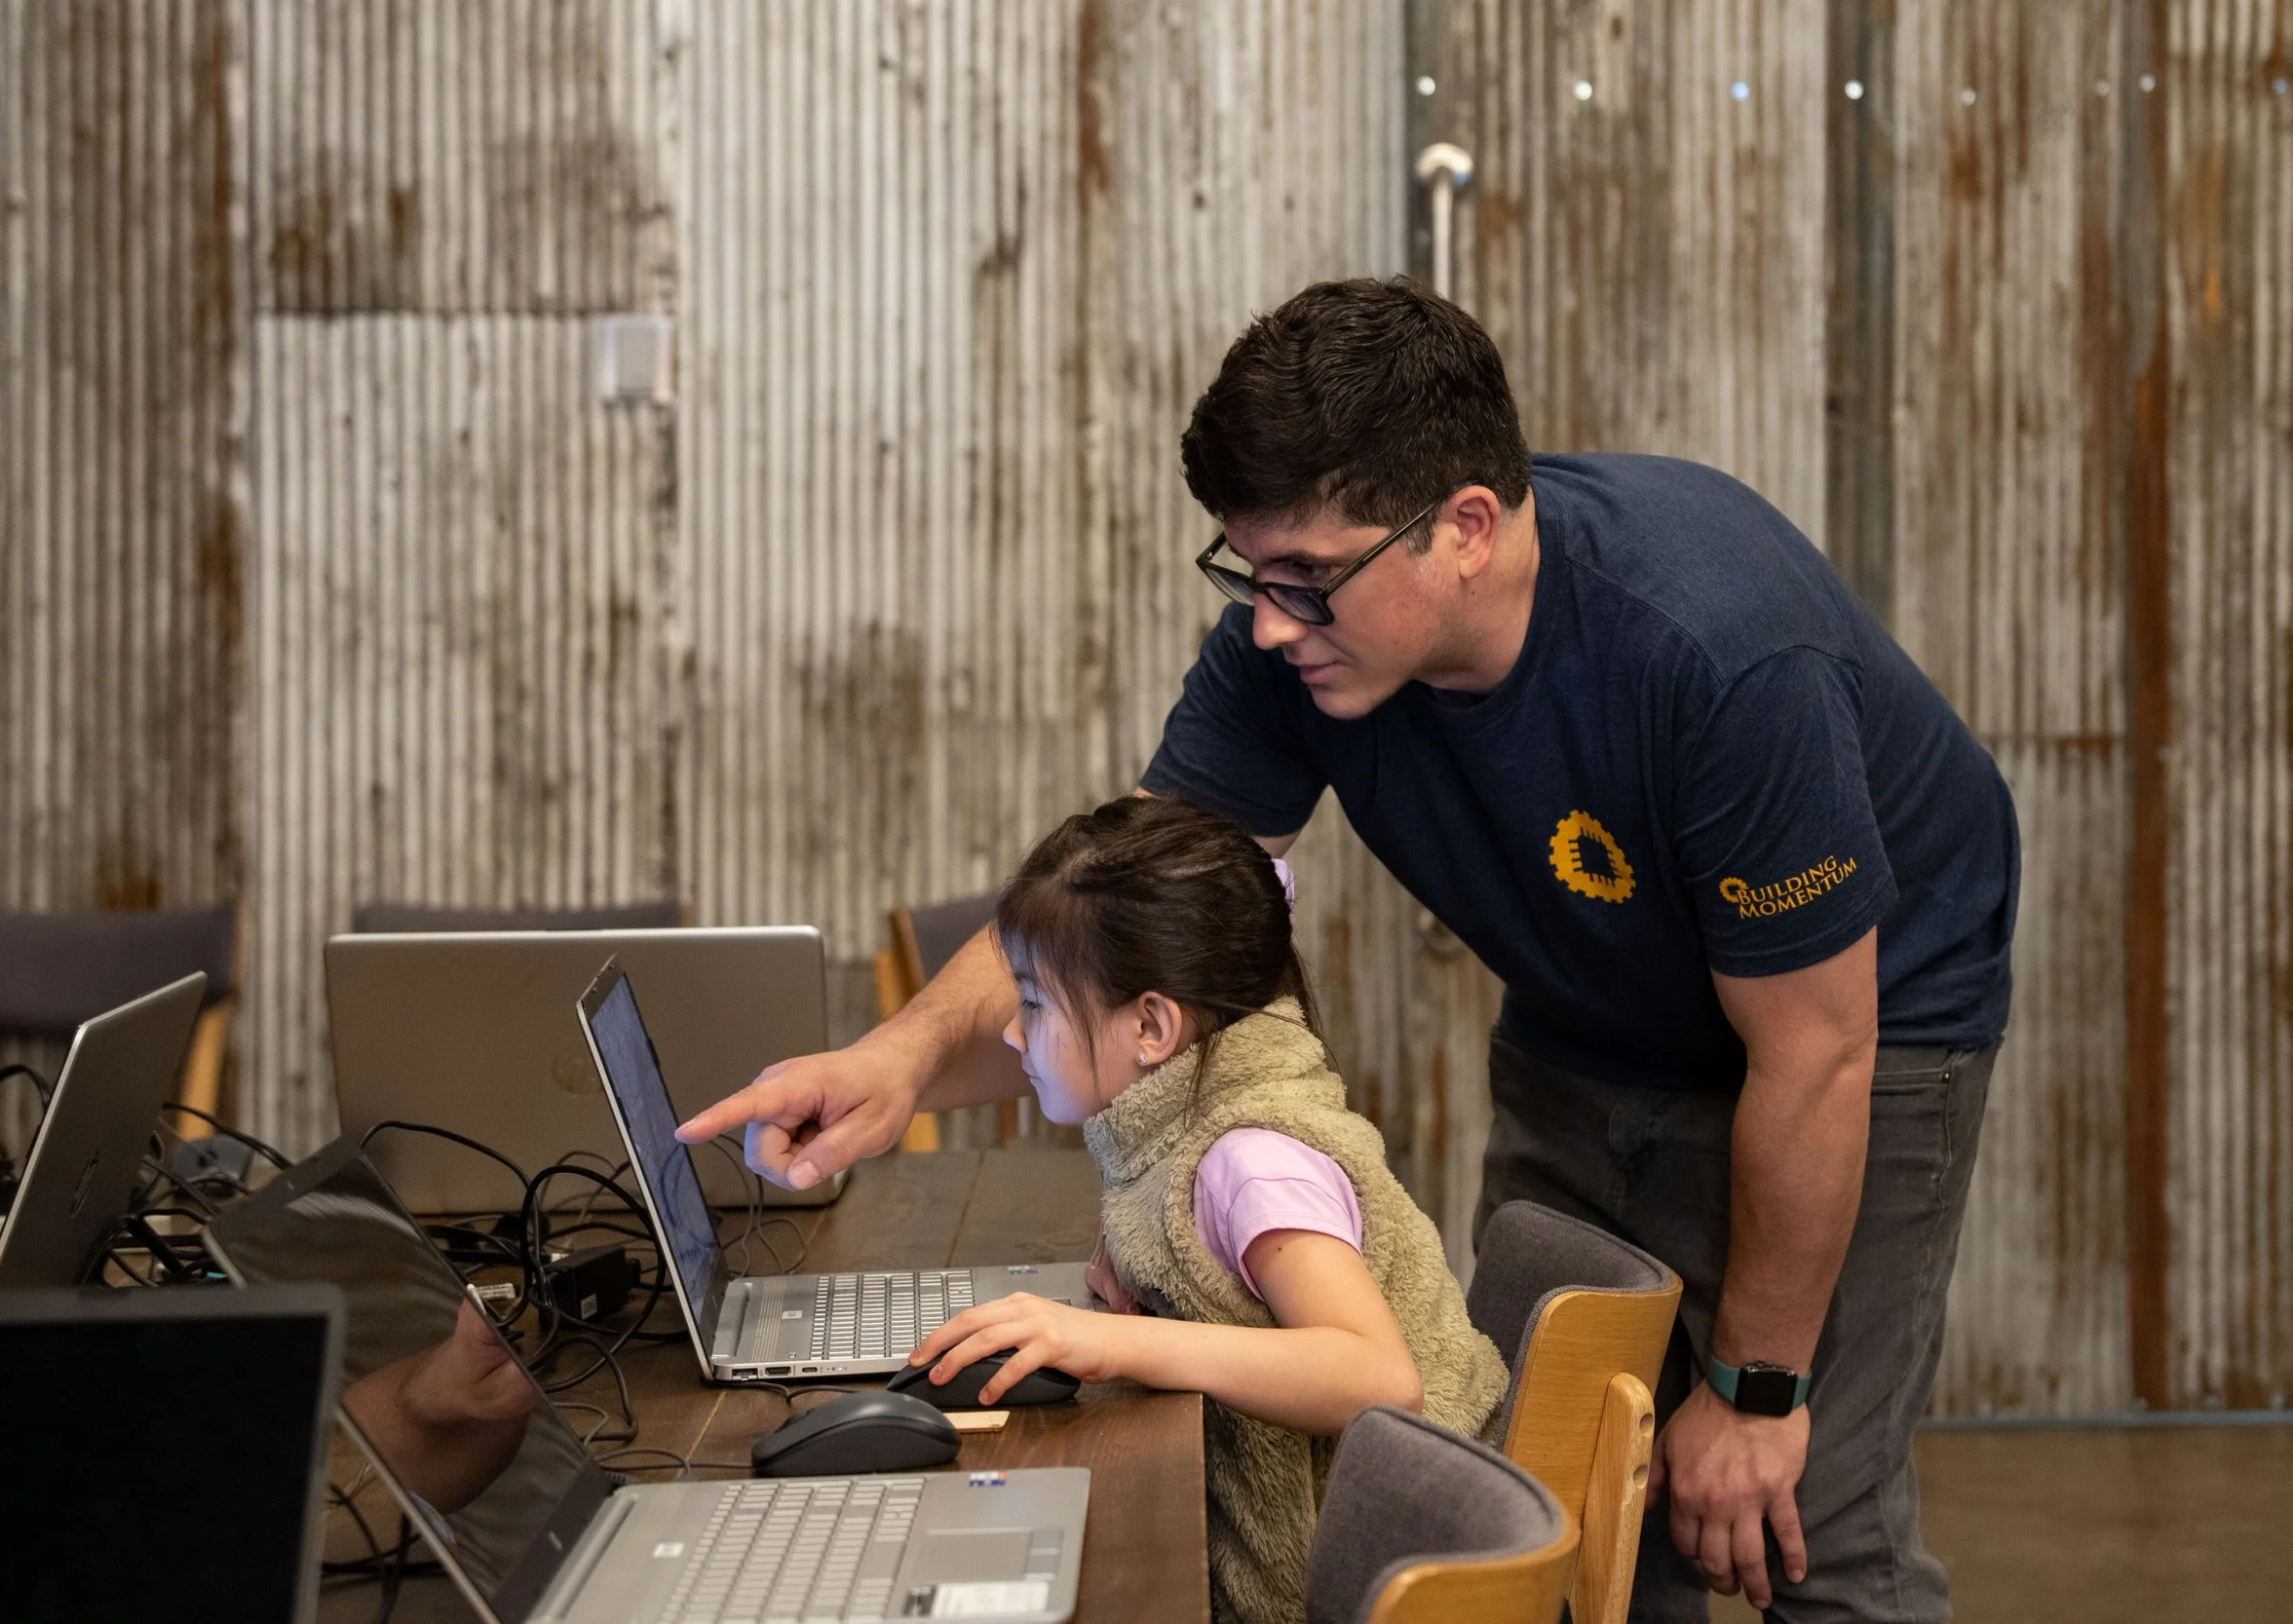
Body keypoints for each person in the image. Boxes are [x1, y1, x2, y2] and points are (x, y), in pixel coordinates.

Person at [685, 277, 2019, 1623]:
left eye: (1307, 579)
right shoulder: (1300, 645)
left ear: (1466, 530)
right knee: (1548, 1500)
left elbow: (1818, 1046)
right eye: (1249, 574)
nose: (1269, 622)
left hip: (1865, 1029)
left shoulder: (1720, 656)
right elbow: (1109, 907)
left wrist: (1757, 1388)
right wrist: (900, 1060)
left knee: (1795, 1518)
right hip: (1587, 1004)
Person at [904, 793, 1505, 1624]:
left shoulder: (1253, 1161)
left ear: (1151, 1025)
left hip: (1392, 1573)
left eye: (1035, 1002)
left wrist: (1118, 1340)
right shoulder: (1185, 1122)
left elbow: (1379, 1379)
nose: (1011, 1032)